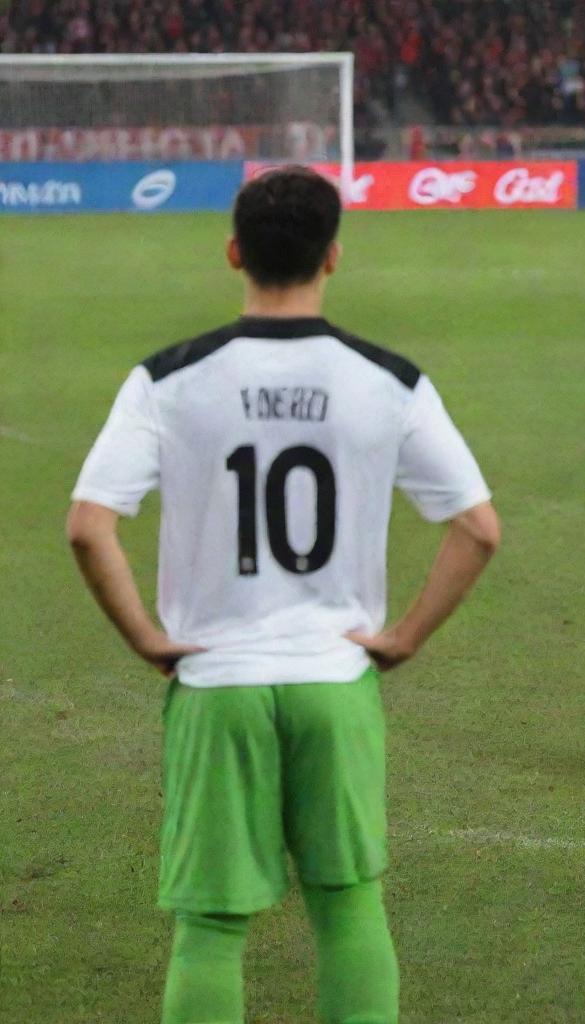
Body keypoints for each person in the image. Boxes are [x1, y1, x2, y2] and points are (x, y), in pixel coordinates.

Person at [66, 166, 500, 1024]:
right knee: (347, 905)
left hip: (216, 682)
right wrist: (405, 636)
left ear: (234, 252)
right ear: (333, 255)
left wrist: (150, 640)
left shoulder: (168, 378)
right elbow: (479, 529)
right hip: (334, 679)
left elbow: (89, 525)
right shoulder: (389, 380)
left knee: (211, 925)